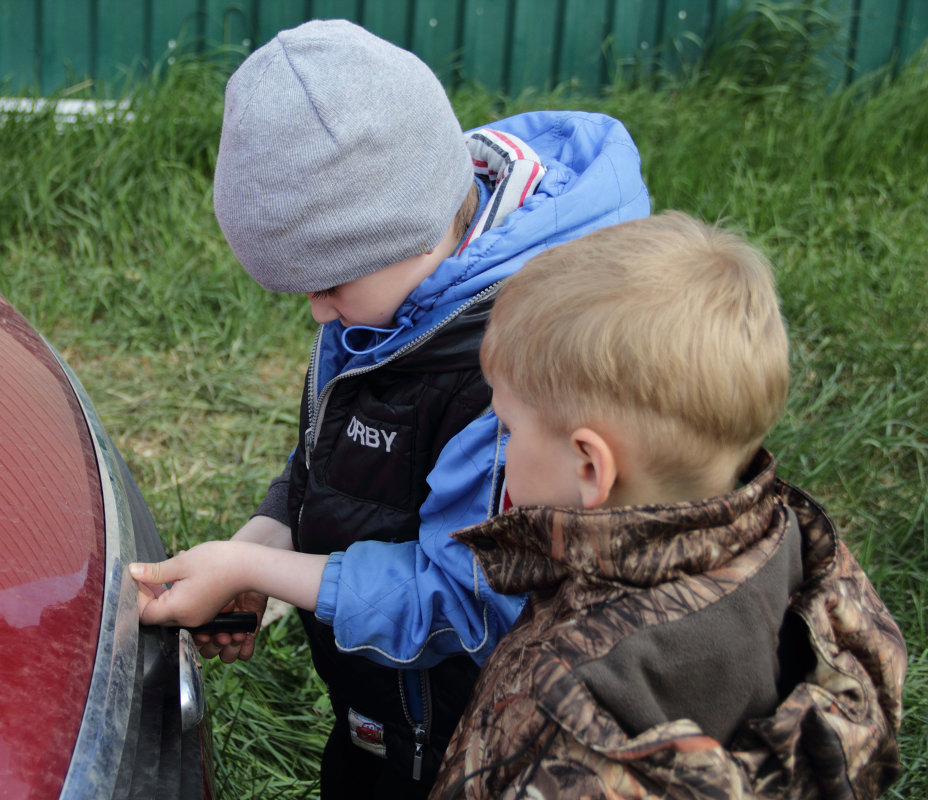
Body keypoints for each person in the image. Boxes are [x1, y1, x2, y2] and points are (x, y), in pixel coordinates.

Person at [129, 18, 650, 797]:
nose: (316, 314)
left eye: (329, 281)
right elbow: (332, 445)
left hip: (468, 740)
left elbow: (465, 594)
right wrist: (269, 537)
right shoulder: (390, 290)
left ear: (408, 225)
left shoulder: (512, 371)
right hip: (383, 717)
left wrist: (258, 567)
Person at [426, 211, 906, 799]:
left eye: (507, 427)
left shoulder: (571, 707)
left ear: (590, 466)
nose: (501, 443)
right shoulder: (797, 542)